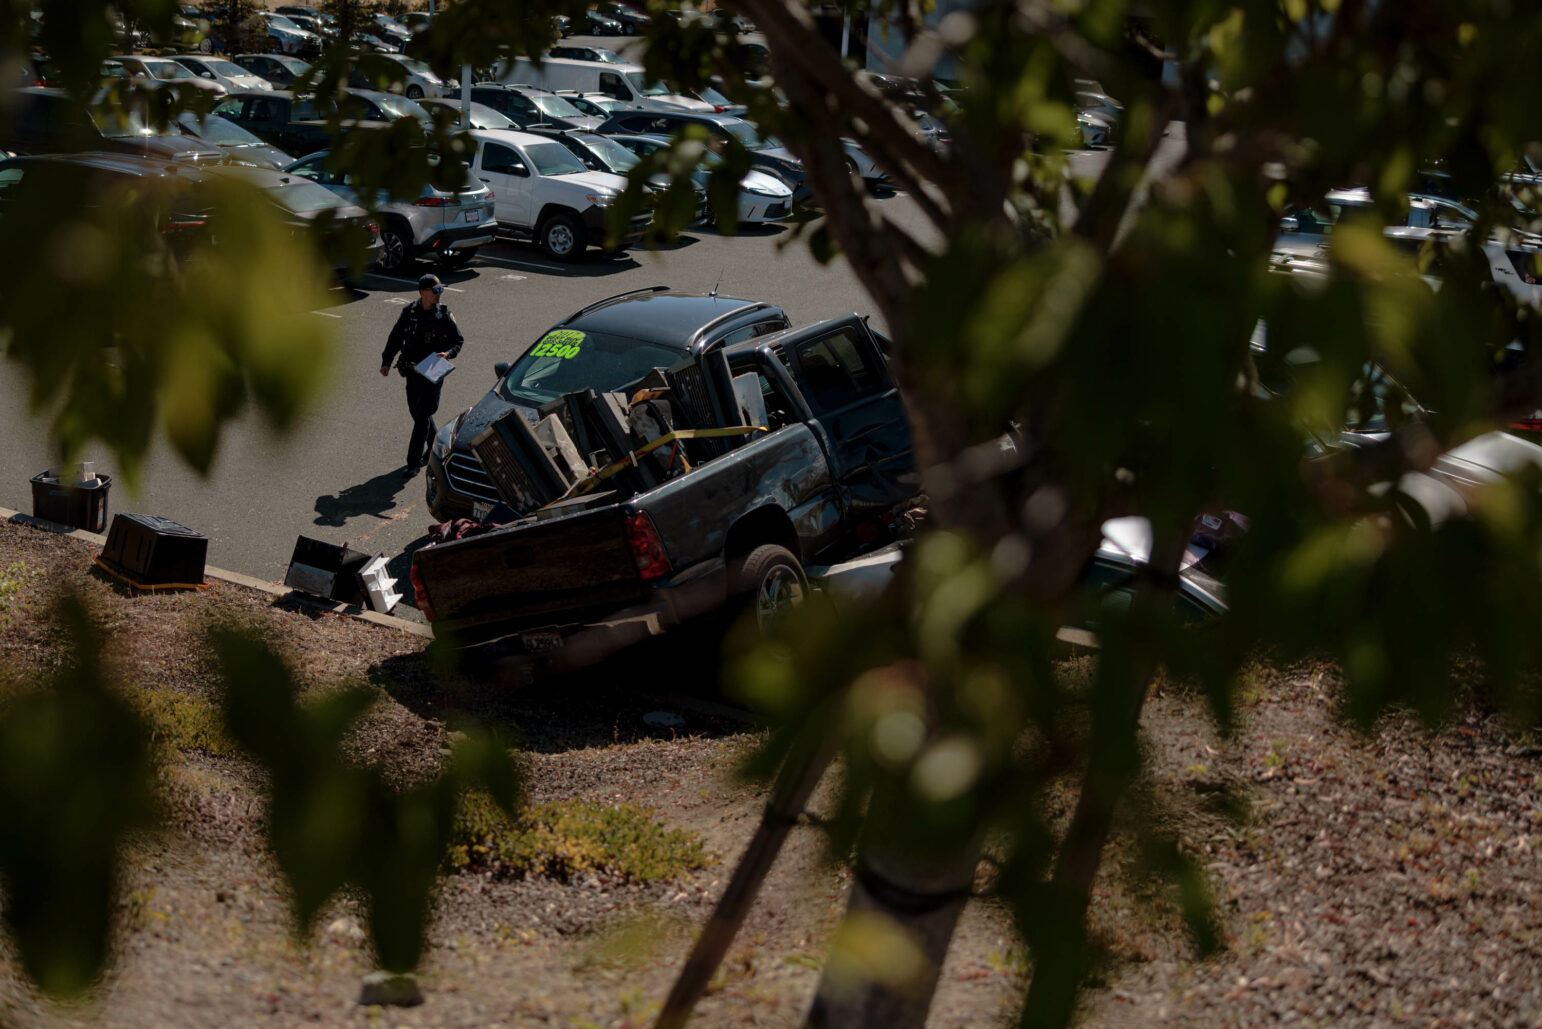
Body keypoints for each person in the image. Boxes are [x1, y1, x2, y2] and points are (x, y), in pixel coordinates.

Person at [380, 273, 464, 475]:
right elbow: (395, 337)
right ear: (422, 292)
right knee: (417, 412)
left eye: (441, 290)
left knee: (423, 415)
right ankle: (437, 444)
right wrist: (386, 361)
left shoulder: (443, 315)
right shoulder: (409, 312)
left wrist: (448, 353)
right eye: (435, 291)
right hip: (412, 370)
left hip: (434, 370)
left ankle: (413, 463)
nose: (439, 294)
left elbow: (458, 340)